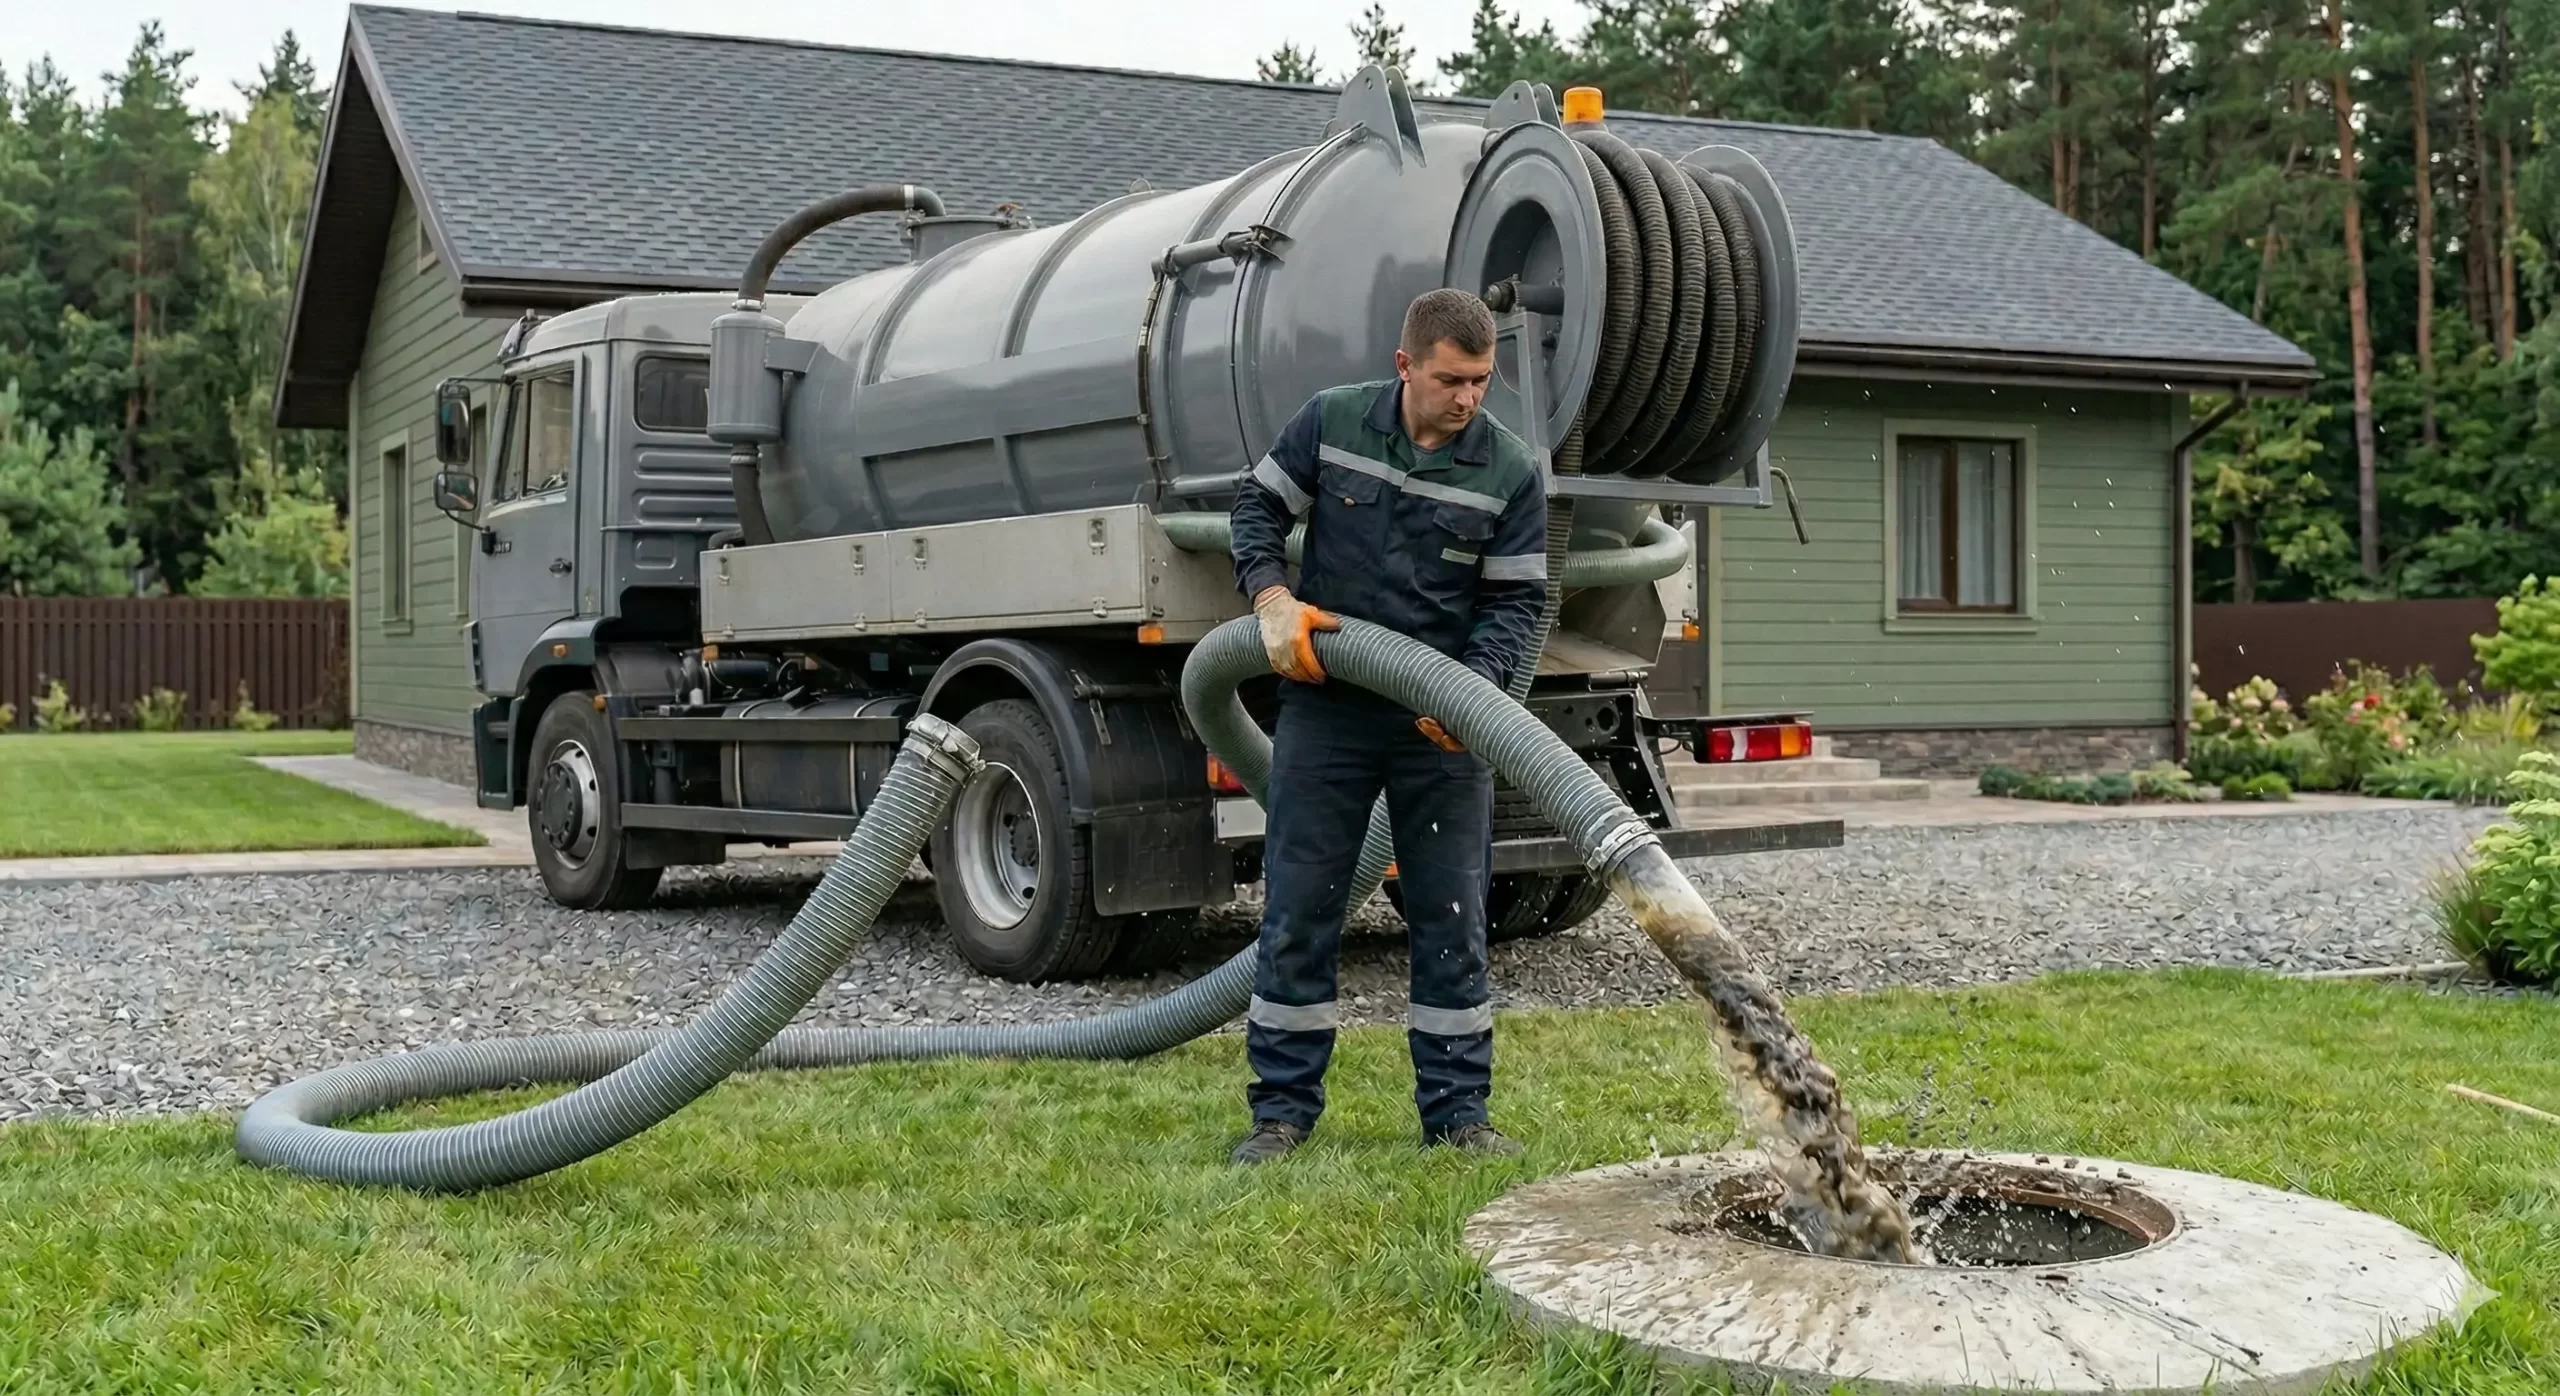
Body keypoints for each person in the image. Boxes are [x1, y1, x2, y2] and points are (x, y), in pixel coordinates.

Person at [1224, 288, 1550, 1166]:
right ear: (1406, 365)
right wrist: (1272, 596)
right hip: (1326, 711)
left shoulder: (1509, 470)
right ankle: (1281, 1114)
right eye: (1451, 379)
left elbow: (1517, 604)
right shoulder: (1331, 424)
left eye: (1482, 381)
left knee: (1452, 915)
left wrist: (1473, 692)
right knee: (1300, 910)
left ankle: (1458, 1117)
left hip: (1438, 727)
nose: (1469, 398)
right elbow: (1253, 512)